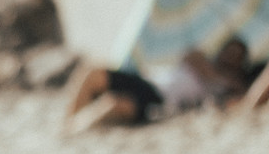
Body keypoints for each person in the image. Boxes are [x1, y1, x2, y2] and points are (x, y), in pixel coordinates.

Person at [67, 36, 265, 131]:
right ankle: (69, 120)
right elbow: (191, 57)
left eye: (238, 55)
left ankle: (76, 129)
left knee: (114, 103)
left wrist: (230, 82)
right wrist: (218, 76)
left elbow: (242, 100)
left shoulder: (233, 85)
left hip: (161, 100)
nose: (231, 56)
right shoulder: (201, 60)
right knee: (92, 73)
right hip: (147, 80)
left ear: (242, 62)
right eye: (229, 50)